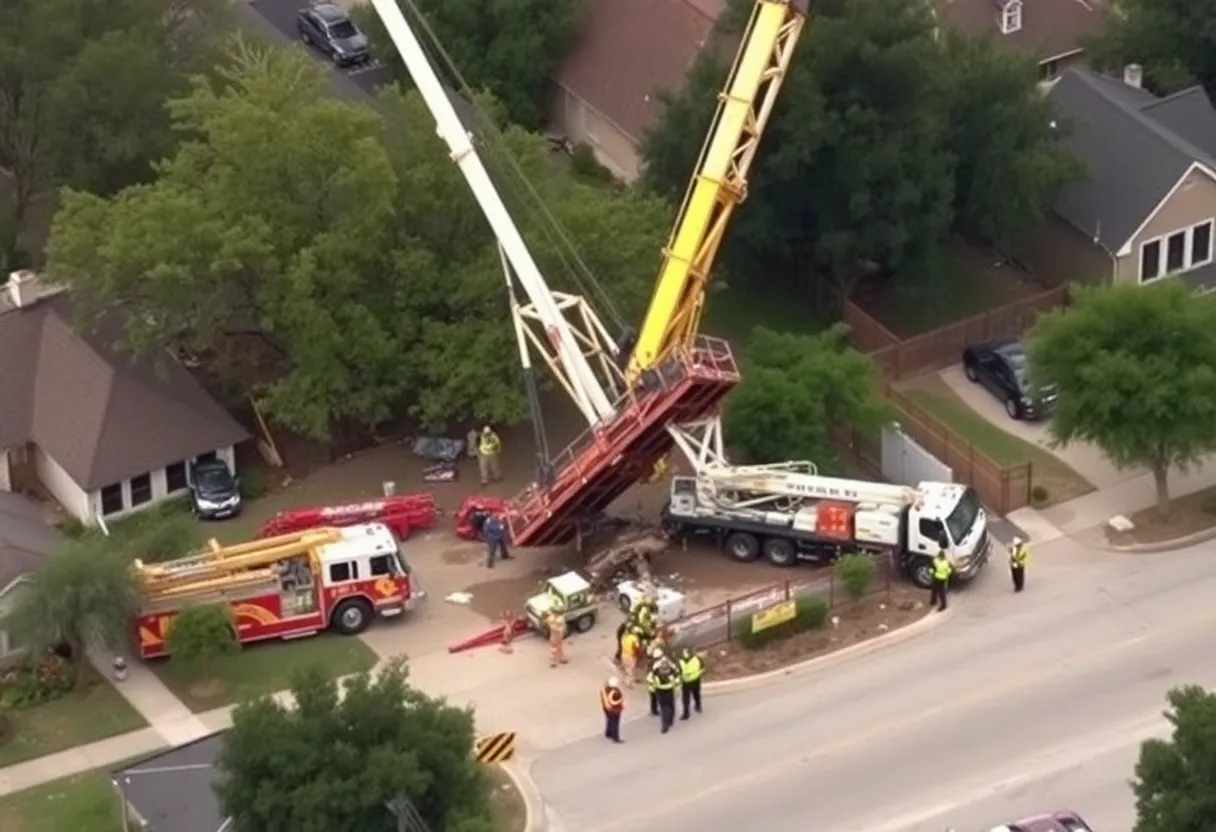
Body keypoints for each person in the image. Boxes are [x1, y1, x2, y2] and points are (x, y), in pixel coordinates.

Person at [650, 661, 678, 733]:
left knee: (665, 708)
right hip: (667, 692)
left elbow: (651, 680)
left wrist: (653, 689)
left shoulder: (656, 673)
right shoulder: (671, 673)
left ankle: (666, 724)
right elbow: (677, 679)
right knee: (669, 707)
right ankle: (669, 722)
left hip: (661, 692)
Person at [678, 647, 705, 720]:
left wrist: (680, 679)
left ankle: (686, 713)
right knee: (696, 694)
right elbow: (703, 668)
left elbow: (678, 672)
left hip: (686, 682)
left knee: (686, 698)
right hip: (695, 680)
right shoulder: (697, 659)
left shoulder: (680, 661)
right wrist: (698, 673)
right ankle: (698, 706)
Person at [601, 676, 625, 743]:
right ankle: (616, 737)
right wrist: (620, 700)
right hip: (614, 709)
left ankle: (608, 733)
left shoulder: (605, 689)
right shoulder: (614, 691)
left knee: (609, 720)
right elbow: (612, 702)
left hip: (606, 708)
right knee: (615, 722)